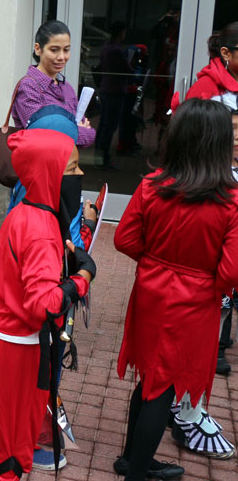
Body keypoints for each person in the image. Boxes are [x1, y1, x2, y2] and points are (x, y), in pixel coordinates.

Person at [113, 98, 238, 481]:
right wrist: (205, 282)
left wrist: (153, 264)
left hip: (152, 291)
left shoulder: (153, 185)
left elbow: (124, 238)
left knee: (149, 377)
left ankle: (130, 459)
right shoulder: (231, 200)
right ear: (216, 143)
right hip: (195, 300)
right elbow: (231, 271)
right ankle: (137, 471)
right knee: (162, 388)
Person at [0, 128, 96, 481]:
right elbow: (44, 307)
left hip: (4, 331)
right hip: (20, 343)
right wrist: (82, 278)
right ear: (49, 172)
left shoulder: (26, 210)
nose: (79, 176)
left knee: (9, 434)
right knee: (16, 446)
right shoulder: (43, 229)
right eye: (72, 169)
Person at [159, 23, 238, 459]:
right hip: (199, 266)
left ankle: (185, 404)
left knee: (202, 341)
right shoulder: (208, 89)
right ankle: (185, 411)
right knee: (189, 340)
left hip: (200, 263)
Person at [12, 21, 96, 148]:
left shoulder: (66, 88)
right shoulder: (28, 87)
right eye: (54, 50)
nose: (62, 57)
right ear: (38, 49)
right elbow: (43, 136)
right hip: (39, 166)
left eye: (66, 50)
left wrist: (72, 132)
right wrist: (78, 130)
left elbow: (91, 134)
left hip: (67, 165)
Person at [96, 21, 130, 169]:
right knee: (110, 125)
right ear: (121, 32)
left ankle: (99, 155)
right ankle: (103, 158)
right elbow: (126, 70)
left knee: (104, 123)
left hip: (105, 88)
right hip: (115, 90)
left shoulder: (105, 47)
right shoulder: (116, 50)